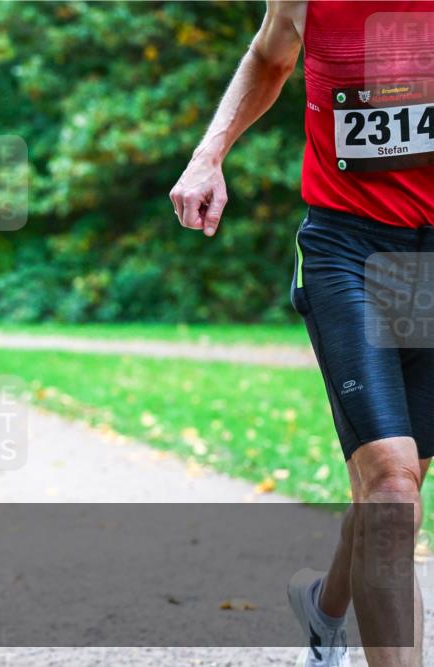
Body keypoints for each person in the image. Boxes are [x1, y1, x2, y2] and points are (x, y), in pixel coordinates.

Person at [170, 3, 433, 666]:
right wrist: (209, 155)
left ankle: (324, 609)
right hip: (348, 246)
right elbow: (269, 55)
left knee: (392, 491)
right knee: (393, 485)